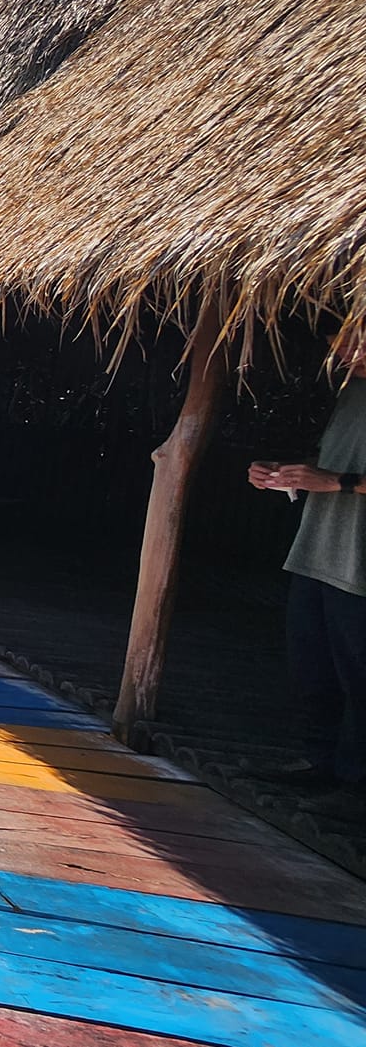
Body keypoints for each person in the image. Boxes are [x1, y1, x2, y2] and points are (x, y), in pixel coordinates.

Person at [248, 324, 366, 797]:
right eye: (340, 340)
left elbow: (339, 474)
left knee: (358, 677)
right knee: (312, 667)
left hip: (359, 567)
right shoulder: (352, 393)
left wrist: (335, 482)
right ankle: (321, 763)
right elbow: (331, 461)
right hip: (319, 550)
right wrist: (286, 475)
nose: (341, 351)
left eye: (355, 339)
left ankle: (353, 782)